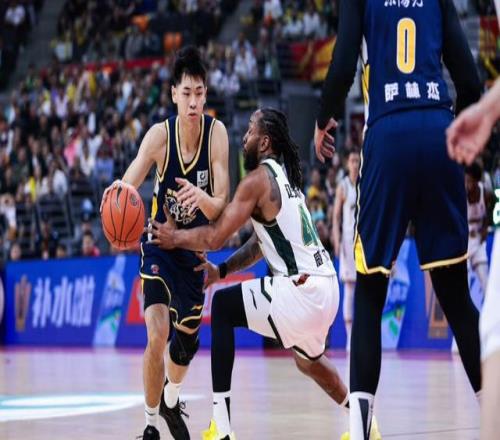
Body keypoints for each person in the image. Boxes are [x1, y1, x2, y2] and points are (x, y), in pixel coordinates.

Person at [147, 108, 381, 440]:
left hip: (302, 290)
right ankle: (365, 423)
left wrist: (175, 238)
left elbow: (214, 237)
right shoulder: (285, 178)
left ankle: (221, 429)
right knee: (308, 362)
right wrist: (223, 270)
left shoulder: (257, 181)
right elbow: (261, 243)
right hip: (326, 288)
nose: (244, 138)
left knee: (223, 309)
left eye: (250, 131)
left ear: (265, 141)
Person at [314, 0, 482, 438]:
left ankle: (360, 429)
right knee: (456, 295)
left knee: (370, 292)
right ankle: (495, 410)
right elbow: (469, 78)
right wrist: (467, 142)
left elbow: (343, 63)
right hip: (439, 132)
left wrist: (323, 118)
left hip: (388, 134)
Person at [101, 46, 230, 440]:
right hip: (158, 242)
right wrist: (117, 196)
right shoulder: (160, 136)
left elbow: (221, 203)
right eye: (186, 92)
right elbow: (131, 179)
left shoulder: (216, 135)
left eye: (199, 93)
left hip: (193, 251)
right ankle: (150, 425)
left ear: (205, 95)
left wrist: (200, 197)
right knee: (156, 332)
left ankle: (171, 399)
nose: (193, 101)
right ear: (173, 93)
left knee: (185, 346)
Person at [446, 5, 500, 436]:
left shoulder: (482, 189)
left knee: (491, 326)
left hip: (477, 243)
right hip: (468, 244)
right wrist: (488, 108)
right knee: (486, 322)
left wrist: (487, 106)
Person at [332, 150, 360, 350]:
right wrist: (336, 239)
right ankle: (350, 336)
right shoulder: (343, 186)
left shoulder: (364, 184)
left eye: (357, 160)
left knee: (364, 288)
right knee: (349, 287)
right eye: (352, 160)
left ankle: (361, 335)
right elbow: (335, 217)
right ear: (347, 164)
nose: (355, 164)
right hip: (348, 241)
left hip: (362, 241)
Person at [465, 163, 490, 297]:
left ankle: (492, 309)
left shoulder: (485, 193)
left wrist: (485, 230)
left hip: (478, 241)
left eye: (470, 181)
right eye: (466, 180)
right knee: (464, 281)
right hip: (465, 242)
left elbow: (488, 215)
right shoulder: (461, 194)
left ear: (477, 181)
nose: (467, 184)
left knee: (485, 280)